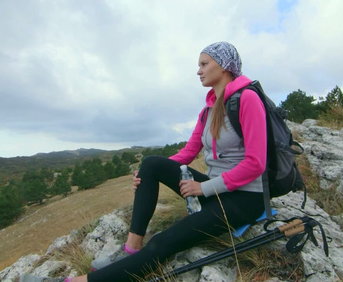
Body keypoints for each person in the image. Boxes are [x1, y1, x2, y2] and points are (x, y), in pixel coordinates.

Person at [20, 41, 267, 282]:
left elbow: (256, 163)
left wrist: (203, 188)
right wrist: (147, 172)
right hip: (217, 191)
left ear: (224, 66)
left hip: (244, 199)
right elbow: (188, 152)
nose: (198, 70)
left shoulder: (247, 99)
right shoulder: (208, 111)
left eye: (204, 63)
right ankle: (131, 248)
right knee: (150, 163)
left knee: (162, 242)